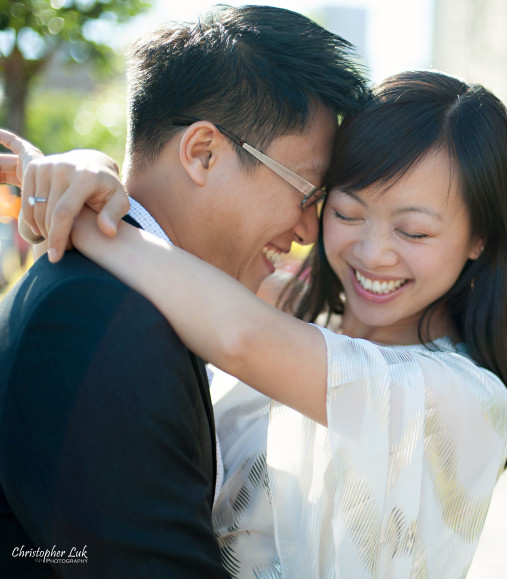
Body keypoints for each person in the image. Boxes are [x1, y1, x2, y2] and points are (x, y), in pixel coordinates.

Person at [5, 70, 507, 577]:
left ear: (480, 237)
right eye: (346, 214)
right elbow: (186, 252)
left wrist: (89, 223)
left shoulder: (464, 398)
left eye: (413, 233)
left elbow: (241, 336)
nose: (372, 254)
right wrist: (86, 171)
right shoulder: (290, 305)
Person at [0, 5, 368, 577]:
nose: (307, 232)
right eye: (306, 194)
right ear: (202, 153)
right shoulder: (97, 315)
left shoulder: (128, 297)